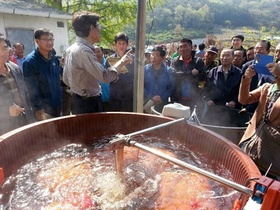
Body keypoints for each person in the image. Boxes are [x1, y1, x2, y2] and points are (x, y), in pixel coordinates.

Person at [63, 12, 131, 115]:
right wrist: (121, 62)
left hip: (79, 100)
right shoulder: (84, 51)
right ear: (92, 28)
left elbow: (66, 80)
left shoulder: (70, 49)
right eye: (99, 26)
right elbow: (104, 76)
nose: (100, 30)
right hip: (88, 104)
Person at [238, 62, 280, 178]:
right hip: (251, 142)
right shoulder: (267, 87)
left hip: (271, 152)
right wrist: (247, 78)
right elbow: (244, 99)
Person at [23, 28, 62, 121]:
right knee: (46, 134)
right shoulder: (30, 62)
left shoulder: (54, 59)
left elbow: (58, 80)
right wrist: (38, 108)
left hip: (56, 105)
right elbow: (31, 88)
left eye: (51, 39)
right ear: (37, 41)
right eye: (45, 40)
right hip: (43, 109)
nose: (49, 42)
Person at [0, 35, 34, 135]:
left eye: (4, 48)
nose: (2, 53)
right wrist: (6, 112)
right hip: (4, 129)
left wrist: (31, 119)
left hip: (23, 122)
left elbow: (26, 96)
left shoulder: (15, 68)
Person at [170, 38, 206, 110]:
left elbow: (203, 76)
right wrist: (191, 73)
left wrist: (183, 74)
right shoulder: (175, 61)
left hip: (194, 99)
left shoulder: (198, 61)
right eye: (181, 47)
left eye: (185, 46)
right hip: (178, 98)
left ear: (191, 47)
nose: (183, 49)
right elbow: (174, 75)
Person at [240, 40, 273, 113]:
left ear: (268, 51)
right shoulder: (247, 66)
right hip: (247, 105)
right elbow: (241, 87)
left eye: (261, 49)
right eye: (256, 48)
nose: (257, 51)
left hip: (266, 108)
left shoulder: (273, 68)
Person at [108, 32, 134, 112]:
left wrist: (133, 64)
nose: (121, 46)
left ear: (127, 44)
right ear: (115, 45)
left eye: (124, 43)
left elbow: (137, 76)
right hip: (115, 96)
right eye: (119, 43)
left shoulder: (133, 59)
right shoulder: (109, 60)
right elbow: (107, 77)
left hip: (129, 97)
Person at [143, 46, 174, 113]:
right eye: (152, 54)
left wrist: (162, 98)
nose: (153, 57)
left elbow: (171, 88)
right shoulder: (145, 69)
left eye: (156, 55)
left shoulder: (168, 71)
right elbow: (141, 86)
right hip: (147, 102)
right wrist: (151, 96)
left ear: (163, 58)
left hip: (162, 104)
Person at [94, 45, 110, 111]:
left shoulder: (109, 64)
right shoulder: (90, 65)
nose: (96, 54)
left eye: (98, 51)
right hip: (96, 101)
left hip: (109, 100)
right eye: (94, 52)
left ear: (102, 52)